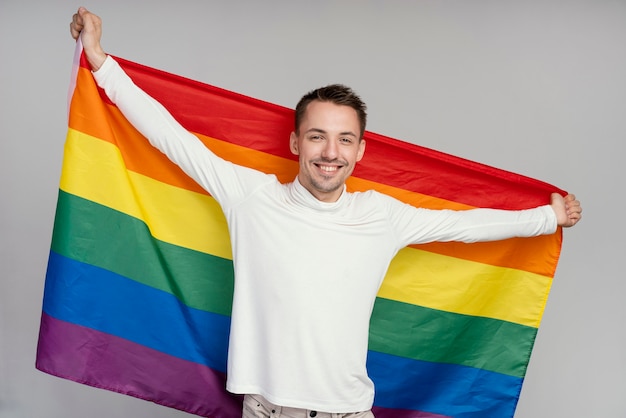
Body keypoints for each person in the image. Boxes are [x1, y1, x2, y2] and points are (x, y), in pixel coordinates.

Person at [70, 7, 582, 418]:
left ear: (360, 151)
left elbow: (467, 226)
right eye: (317, 136)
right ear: (296, 142)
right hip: (266, 408)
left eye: (344, 139)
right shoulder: (250, 197)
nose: (330, 152)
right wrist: (100, 61)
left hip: (347, 411)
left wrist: (547, 218)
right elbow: (170, 138)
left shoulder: (383, 216)